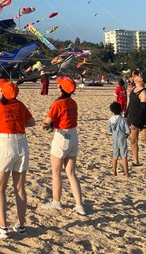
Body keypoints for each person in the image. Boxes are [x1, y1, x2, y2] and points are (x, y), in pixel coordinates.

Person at [0, 78, 35, 240]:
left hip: (6, 143)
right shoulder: (20, 105)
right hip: (22, 143)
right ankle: (21, 226)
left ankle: (3, 227)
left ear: (2, 92)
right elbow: (31, 122)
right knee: (19, 187)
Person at [40, 76, 85, 215]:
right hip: (73, 136)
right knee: (71, 173)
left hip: (62, 137)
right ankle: (79, 205)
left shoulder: (58, 103)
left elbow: (46, 123)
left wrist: (44, 124)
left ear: (62, 89)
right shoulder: (73, 102)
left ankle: (56, 202)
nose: (57, 86)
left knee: (56, 172)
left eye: (59, 85)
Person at [126, 70, 146, 169]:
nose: (135, 76)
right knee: (133, 141)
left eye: (137, 75)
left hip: (141, 120)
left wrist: (136, 123)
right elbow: (130, 104)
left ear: (141, 79)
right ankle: (136, 161)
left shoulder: (143, 92)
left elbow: (142, 110)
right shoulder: (133, 89)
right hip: (131, 118)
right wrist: (125, 115)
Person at [107, 101, 130, 177]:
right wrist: (127, 135)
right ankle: (126, 172)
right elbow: (128, 130)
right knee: (124, 156)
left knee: (115, 156)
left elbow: (109, 130)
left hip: (115, 139)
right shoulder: (123, 119)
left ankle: (114, 172)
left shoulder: (111, 119)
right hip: (122, 138)